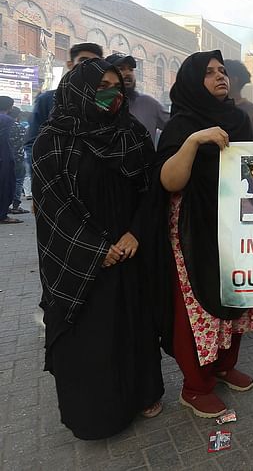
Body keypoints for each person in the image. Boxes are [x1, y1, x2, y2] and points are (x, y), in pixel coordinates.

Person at [31, 58, 163, 439]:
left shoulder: (130, 134)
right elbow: (51, 209)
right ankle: (96, 414)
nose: (112, 93)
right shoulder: (51, 141)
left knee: (133, 325)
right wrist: (94, 249)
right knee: (90, 337)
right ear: (78, 88)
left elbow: (150, 189)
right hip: (81, 258)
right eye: (101, 85)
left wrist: (136, 232)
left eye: (116, 86)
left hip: (129, 251)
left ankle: (143, 393)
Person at [156, 50, 253, 418]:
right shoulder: (182, 123)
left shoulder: (238, 119)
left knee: (235, 296)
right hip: (192, 230)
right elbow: (169, 180)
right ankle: (195, 386)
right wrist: (194, 141)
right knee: (196, 305)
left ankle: (224, 366)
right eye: (209, 72)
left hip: (234, 224)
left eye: (222, 71)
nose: (220, 77)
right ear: (190, 80)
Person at [25, 43, 104, 161]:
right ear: (70, 65)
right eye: (83, 60)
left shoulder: (104, 101)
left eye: (95, 62)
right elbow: (33, 141)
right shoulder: (47, 100)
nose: (88, 66)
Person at [106, 54, 169, 146]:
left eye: (131, 69)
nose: (128, 73)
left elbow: (177, 129)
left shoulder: (149, 104)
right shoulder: (99, 106)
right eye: (121, 69)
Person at [0, 96, 21, 224]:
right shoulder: (8, 121)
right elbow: (14, 141)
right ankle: (2, 215)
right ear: (10, 107)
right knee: (5, 186)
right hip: (4, 158)